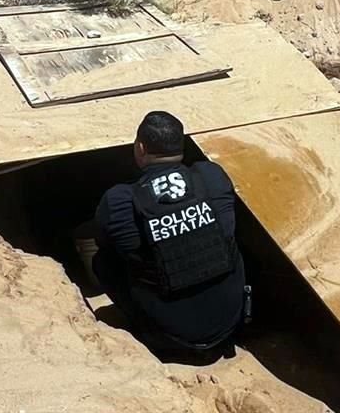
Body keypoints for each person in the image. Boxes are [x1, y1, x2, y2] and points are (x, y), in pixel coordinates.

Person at [93, 111, 246, 359]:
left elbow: (104, 241)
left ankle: (144, 330)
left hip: (171, 338)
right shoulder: (211, 176)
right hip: (230, 324)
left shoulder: (119, 199)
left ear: (140, 148)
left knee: (102, 262)